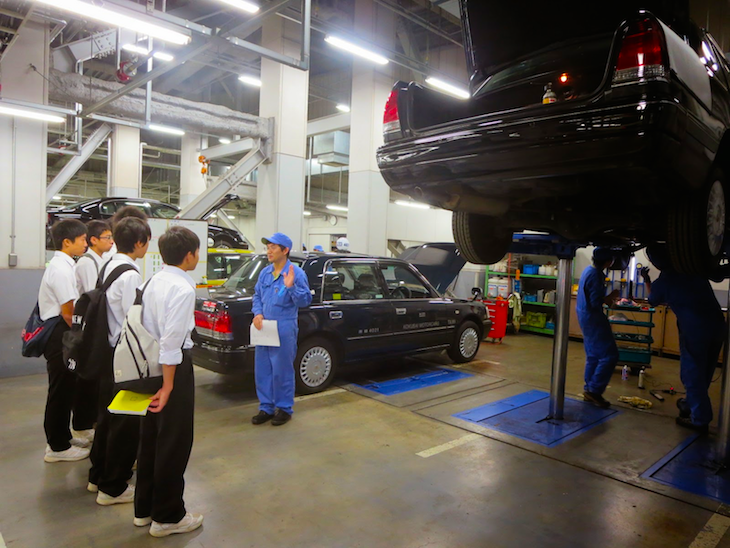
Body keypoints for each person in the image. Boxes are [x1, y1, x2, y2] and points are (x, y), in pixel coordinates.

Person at [135, 226, 203, 537]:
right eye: (197, 252)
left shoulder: (152, 281)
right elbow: (172, 342)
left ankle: (145, 509)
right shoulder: (183, 289)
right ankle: (168, 516)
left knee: (152, 438)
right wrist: (169, 385)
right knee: (175, 441)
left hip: (148, 366)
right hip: (170, 369)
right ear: (189, 255)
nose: (197, 258)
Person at [88, 217, 150, 505]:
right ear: (138, 243)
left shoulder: (109, 264)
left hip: (104, 353)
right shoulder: (130, 274)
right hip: (121, 358)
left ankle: (97, 475)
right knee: (123, 424)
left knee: (105, 418)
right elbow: (134, 320)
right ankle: (112, 487)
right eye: (146, 242)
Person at [642, 244, 725, 433]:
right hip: (718, 325)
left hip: (696, 330)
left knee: (691, 374)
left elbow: (653, 300)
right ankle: (689, 405)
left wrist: (647, 280)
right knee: (705, 370)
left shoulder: (665, 280)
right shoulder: (690, 270)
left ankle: (700, 419)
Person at [40, 219, 90, 462]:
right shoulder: (60, 269)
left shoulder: (65, 265)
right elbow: (68, 312)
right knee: (60, 390)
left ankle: (62, 437)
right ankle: (57, 447)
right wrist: (82, 337)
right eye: (82, 240)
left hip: (61, 332)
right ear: (67, 242)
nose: (85, 243)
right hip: (59, 334)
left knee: (67, 387)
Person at [251, 233, 312, 426]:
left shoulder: (296, 274)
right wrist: (258, 313)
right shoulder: (265, 273)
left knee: (282, 369)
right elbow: (257, 296)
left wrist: (291, 286)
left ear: (285, 250)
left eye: (273, 247)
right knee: (263, 369)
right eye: (267, 247)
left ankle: (284, 408)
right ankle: (266, 407)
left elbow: (305, 301)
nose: (268, 251)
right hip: (264, 326)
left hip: (284, 326)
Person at [71, 220, 114, 446]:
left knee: (95, 380)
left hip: (95, 326)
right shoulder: (88, 263)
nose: (111, 241)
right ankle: (81, 426)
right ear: (93, 240)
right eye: (107, 237)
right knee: (86, 379)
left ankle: (91, 422)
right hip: (88, 328)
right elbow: (93, 297)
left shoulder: (102, 260)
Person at [577, 247, 620, 408]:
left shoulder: (588, 270)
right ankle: (595, 390)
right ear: (609, 262)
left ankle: (589, 389)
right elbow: (596, 301)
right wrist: (610, 297)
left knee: (594, 355)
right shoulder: (596, 276)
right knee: (610, 356)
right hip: (593, 318)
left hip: (585, 316)